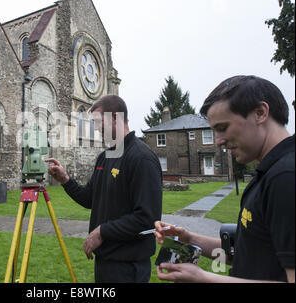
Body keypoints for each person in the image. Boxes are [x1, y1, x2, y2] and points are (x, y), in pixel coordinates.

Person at [154, 75, 295, 283]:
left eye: (222, 128)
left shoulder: (286, 178)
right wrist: (190, 238)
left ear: (260, 113)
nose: (218, 141)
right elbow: (251, 251)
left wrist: (205, 279)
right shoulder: (269, 173)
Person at [46, 95, 162, 283]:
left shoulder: (141, 158)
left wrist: (102, 231)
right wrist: (65, 180)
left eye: (98, 123)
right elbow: (90, 198)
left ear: (115, 117)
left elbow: (147, 218)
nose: (96, 129)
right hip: (105, 262)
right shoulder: (105, 157)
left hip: (128, 267)